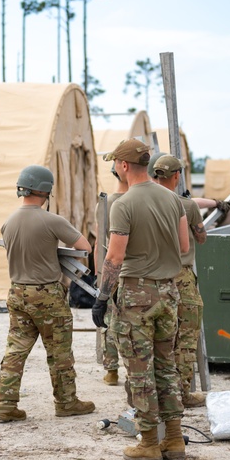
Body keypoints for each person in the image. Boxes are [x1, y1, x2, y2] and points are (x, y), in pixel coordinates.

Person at [91, 139, 189, 460]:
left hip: (137, 295)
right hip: (169, 293)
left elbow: (115, 256)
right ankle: (174, 439)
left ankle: (148, 442)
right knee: (166, 368)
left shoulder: (124, 203)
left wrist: (102, 297)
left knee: (139, 371)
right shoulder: (173, 199)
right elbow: (184, 245)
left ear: (122, 166)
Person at [0, 165, 96, 422]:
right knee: (59, 351)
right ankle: (66, 402)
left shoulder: (9, 222)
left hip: (17, 292)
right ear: (46, 190)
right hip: (47, 295)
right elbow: (84, 247)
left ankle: (5, 404)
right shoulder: (52, 221)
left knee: (15, 350)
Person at [149, 154, 209, 409]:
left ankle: (156, 394)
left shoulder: (142, 203)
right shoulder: (187, 206)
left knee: (158, 340)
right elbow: (201, 237)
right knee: (185, 339)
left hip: (152, 277)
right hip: (181, 277)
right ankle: (182, 393)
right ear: (177, 176)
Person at [100, 163, 128, 387]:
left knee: (109, 318)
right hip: (136, 268)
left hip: (111, 267)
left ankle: (111, 370)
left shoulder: (105, 203)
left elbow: (100, 240)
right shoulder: (140, 200)